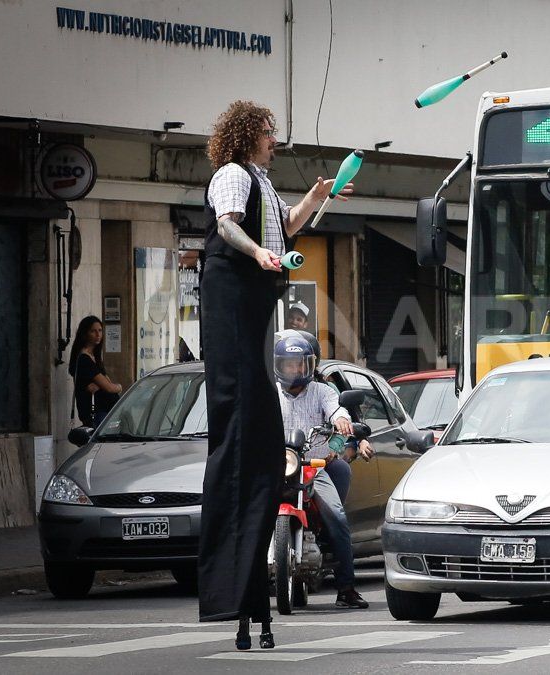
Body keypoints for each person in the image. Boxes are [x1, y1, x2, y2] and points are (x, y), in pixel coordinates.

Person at [197, 99, 354, 651]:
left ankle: (254, 602)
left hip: (253, 303)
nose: (273, 139)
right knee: (241, 428)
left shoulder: (261, 180)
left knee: (262, 445)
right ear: (245, 135)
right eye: (267, 131)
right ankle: (234, 592)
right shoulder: (233, 175)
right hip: (232, 296)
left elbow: (285, 228)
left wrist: (318, 195)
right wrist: (260, 253)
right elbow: (227, 228)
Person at [273, 333, 370, 609]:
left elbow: (337, 410)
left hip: (312, 469)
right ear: (279, 365)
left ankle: (346, 588)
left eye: (299, 364)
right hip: (276, 469)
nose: (294, 370)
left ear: (309, 365)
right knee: (247, 517)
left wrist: (341, 421)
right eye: (288, 364)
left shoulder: (322, 391)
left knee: (337, 517)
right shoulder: (268, 393)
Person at [67, 316, 123, 427]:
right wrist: (120, 387)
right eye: (93, 331)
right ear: (85, 334)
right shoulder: (84, 359)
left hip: (105, 411)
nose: (98, 335)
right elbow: (109, 387)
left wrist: (107, 386)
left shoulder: (94, 357)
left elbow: (107, 382)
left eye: (100, 330)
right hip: (97, 413)